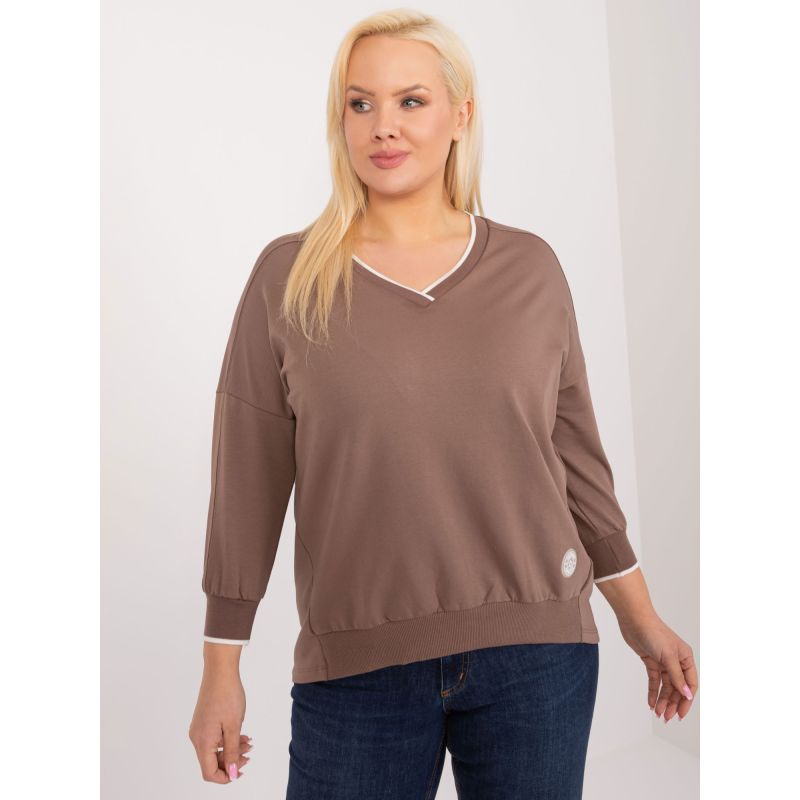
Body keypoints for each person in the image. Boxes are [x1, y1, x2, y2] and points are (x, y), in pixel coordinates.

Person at [188, 8, 698, 798]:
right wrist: (221, 668)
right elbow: (246, 484)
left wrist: (640, 616)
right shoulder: (289, 278)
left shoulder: (530, 269)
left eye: (411, 101)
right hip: (356, 669)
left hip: (538, 654)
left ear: (461, 115)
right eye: (361, 103)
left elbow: (577, 465)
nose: (383, 126)